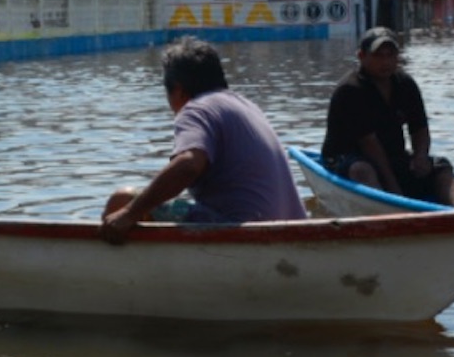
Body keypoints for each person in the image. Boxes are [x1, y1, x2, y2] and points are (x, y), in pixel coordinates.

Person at [100, 37, 306, 244]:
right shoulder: (246, 105)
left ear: (178, 90)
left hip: (242, 232)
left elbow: (188, 165)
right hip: (293, 230)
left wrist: (129, 213)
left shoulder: (195, 110)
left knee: (123, 199)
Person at [320, 27, 454, 207]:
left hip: (392, 156)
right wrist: (396, 195)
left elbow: (419, 128)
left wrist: (420, 156)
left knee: (442, 166)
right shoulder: (351, 90)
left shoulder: (405, 84)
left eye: (391, 55)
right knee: (363, 170)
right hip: (345, 158)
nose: (386, 62)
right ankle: (388, 214)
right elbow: (370, 145)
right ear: (361, 56)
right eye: (378, 56)